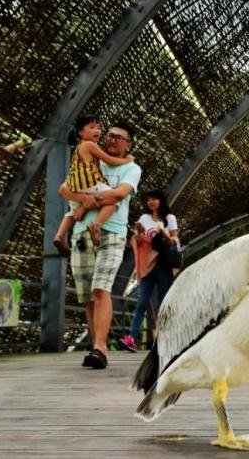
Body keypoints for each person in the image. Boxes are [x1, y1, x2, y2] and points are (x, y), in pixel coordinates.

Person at [59, 120, 141, 370]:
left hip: (112, 234)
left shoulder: (132, 168)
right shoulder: (90, 158)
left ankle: (100, 348)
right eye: (110, 135)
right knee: (88, 297)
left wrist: (87, 200)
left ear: (129, 145)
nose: (112, 139)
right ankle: (97, 347)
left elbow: (118, 195)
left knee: (101, 289)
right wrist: (85, 198)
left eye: (119, 138)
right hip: (82, 234)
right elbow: (64, 189)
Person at [52, 115, 134, 255]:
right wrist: (128, 160)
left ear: (129, 144)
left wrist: (82, 203)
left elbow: (65, 188)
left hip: (76, 186)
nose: (97, 130)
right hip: (89, 184)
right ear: (80, 132)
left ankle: (59, 235)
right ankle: (96, 226)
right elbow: (110, 161)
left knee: (72, 213)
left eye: (99, 128)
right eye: (92, 127)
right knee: (115, 201)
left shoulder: (79, 149)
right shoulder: (90, 145)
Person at [119, 189, 180, 352]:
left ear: (161, 200)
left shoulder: (170, 218)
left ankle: (167, 339)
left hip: (163, 264)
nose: (151, 202)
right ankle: (131, 337)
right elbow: (138, 241)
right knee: (142, 301)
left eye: (154, 199)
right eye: (148, 200)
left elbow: (176, 239)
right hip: (147, 264)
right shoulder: (144, 219)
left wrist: (166, 237)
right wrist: (138, 234)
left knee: (164, 302)